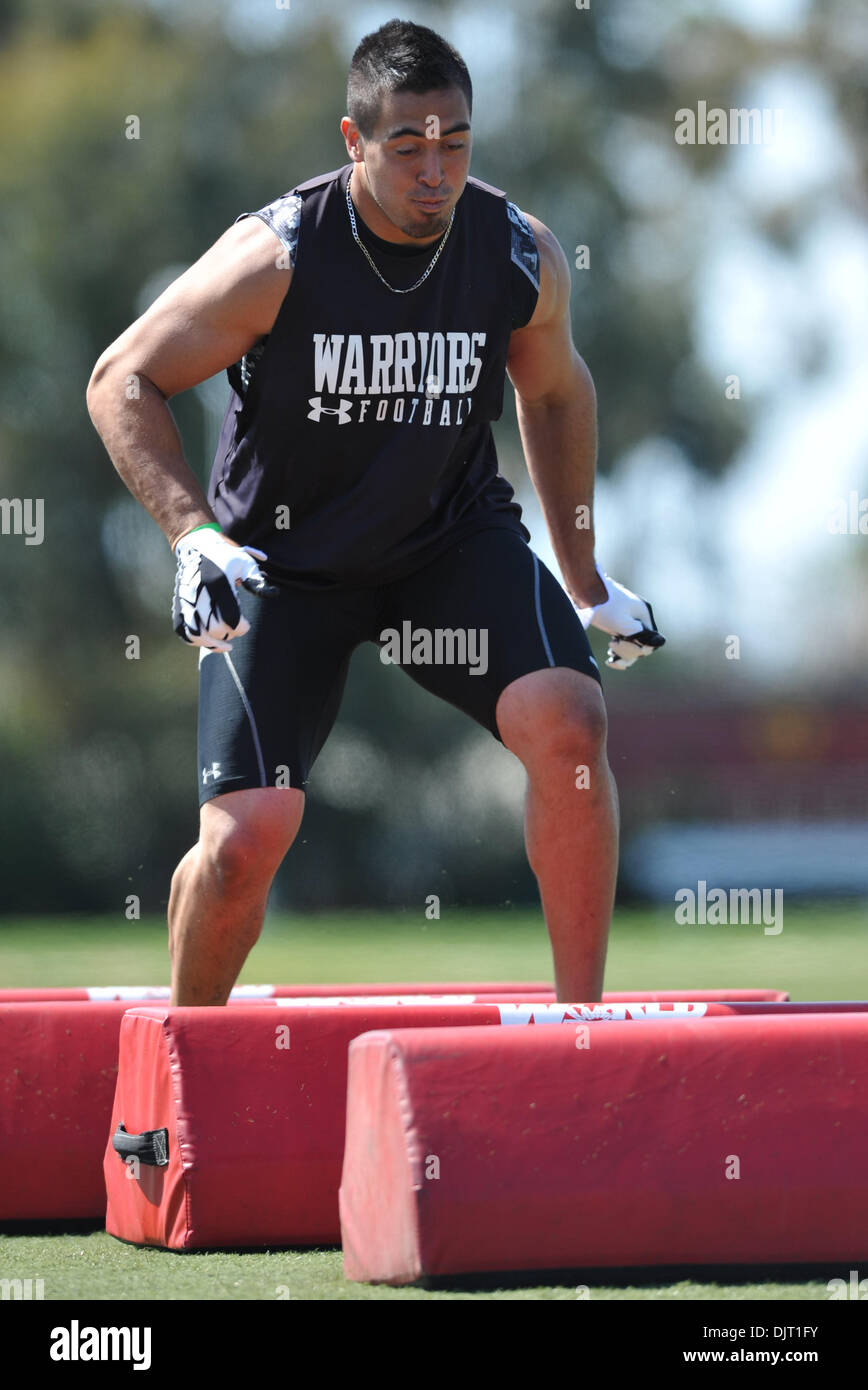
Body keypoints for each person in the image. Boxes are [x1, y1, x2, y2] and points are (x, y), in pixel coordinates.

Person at [87, 18, 664, 1006]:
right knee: (243, 843)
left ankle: (580, 1034)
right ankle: (182, 1073)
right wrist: (193, 538)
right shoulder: (277, 254)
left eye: (455, 142)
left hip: (443, 545)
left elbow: (558, 393)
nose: (434, 169)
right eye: (407, 146)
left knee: (569, 723)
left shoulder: (517, 254)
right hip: (281, 565)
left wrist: (583, 576)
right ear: (353, 143)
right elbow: (120, 377)